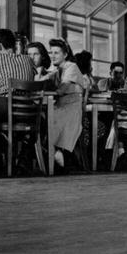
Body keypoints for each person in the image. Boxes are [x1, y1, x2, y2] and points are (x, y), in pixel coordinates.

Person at [0, 29, 36, 173]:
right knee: (37, 124)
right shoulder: (28, 60)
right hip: (28, 109)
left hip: (5, 105)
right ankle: (24, 159)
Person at [46, 38, 86, 173]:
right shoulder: (57, 70)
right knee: (43, 119)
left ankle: (58, 155)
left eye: (56, 53)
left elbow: (62, 89)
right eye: (51, 52)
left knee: (46, 121)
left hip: (71, 108)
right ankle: (56, 155)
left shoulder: (71, 67)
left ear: (65, 54)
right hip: (60, 106)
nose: (52, 56)